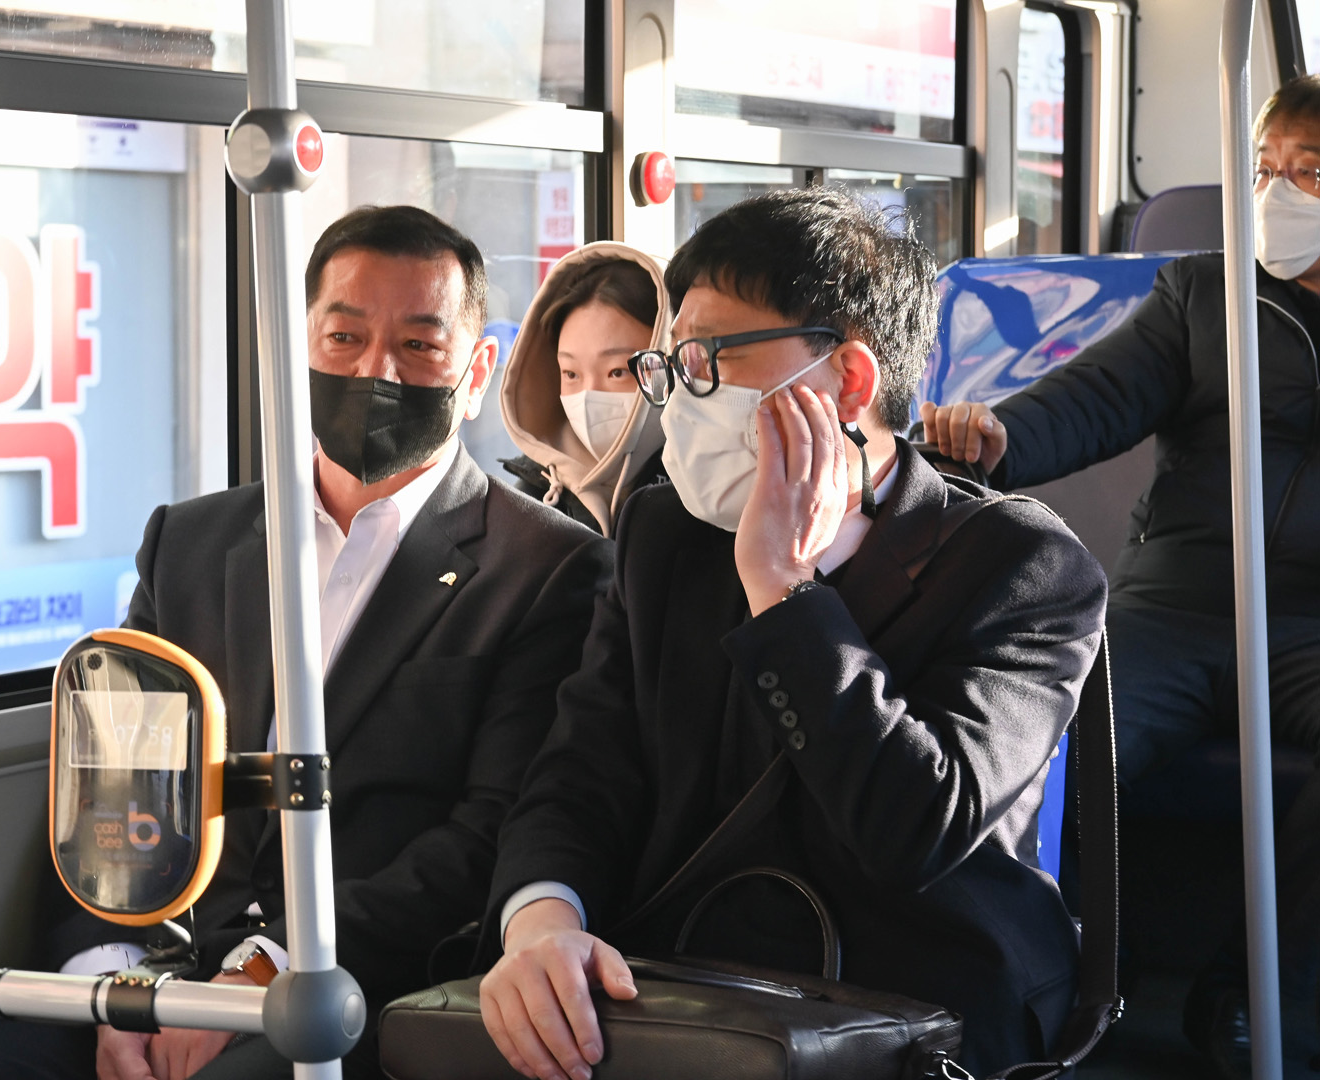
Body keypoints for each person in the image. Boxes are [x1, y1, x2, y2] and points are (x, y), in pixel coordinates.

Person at [0, 205, 613, 1080]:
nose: (375, 371)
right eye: (344, 338)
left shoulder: (545, 568)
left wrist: (265, 969)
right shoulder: (189, 543)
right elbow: (113, 783)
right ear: (299, 348)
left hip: (354, 984)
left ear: (476, 368)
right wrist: (115, 983)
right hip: (156, 969)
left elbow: (488, 833)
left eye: (419, 345)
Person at [474, 187, 1107, 1080]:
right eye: (673, 365)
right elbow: (582, 771)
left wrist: (783, 588)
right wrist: (542, 921)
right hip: (681, 988)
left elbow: (916, 829)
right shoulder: (665, 533)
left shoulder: (1021, 566)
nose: (683, 398)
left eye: (712, 360)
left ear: (848, 379)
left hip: (912, 1010)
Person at [920, 76, 1320, 1078]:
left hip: (1311, 624)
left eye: (1308, 174)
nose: (1277, 195)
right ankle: (1072, 980)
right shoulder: (1206, 295)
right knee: (1051, 752)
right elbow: (1096, 397)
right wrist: (999, 436)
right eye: (1263, 170)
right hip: (1177, 600)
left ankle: (1258, 1000)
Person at [498, 244, 669, 535]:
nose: (588, 395)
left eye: (617, 372)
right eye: (571, 373)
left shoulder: (703, 493)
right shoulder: (530, 503)